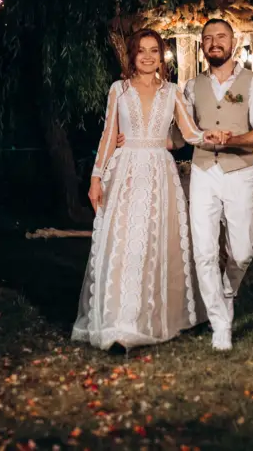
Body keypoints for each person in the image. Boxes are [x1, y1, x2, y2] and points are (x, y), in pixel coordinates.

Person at [75, 29, 225, 350]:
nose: (147, 56)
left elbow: (190, 132)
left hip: (159, 174)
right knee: (125, 244)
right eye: (141, 50)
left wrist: (210, 136)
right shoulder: (119, 89)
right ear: (132, 55)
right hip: (126, 173)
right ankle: (120, 323)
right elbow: (108, 135)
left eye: (153, 50)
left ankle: (151, 318)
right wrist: (96, 177)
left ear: (161, 56)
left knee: (155, 244)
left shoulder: (172, 92)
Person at [185, 19, 253, 351]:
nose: (214, 42)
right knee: (204, 253)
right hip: (203, 171)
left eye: (221, 36)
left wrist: (232, 139)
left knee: (243, 252)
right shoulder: (192, 86)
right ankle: (220, 324)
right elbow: (182, 133)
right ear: (202, 46)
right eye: (208, 38)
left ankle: (226, 292)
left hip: (240, 172)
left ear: (233, 43)